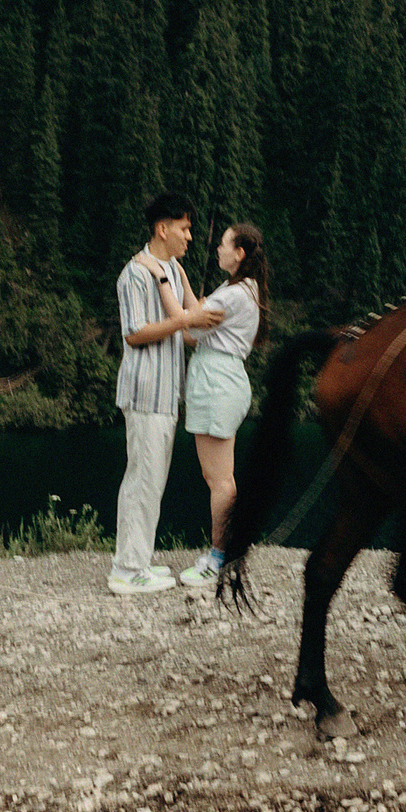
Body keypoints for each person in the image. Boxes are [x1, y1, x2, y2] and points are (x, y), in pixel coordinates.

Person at [110, 193, 223, 595]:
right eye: (185, 228)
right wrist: (186, 321)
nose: (190, 236)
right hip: (144, 392)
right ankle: (126, 570)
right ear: (163, 228)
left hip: (165, 392)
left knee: (151, 480)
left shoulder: (172, 269)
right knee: (142, 480)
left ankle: (137, 561)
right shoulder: (135, 274)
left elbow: (191, 323)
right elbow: (135, 333)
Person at [179, 224, 268, 587]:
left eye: (223, 243)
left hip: (217, 383)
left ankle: (219, 557)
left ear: (239, 253)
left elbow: (188, 324)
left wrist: (170, 283)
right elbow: (196, 316)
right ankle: (225, 552)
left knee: (220, 480)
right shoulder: (238, 289)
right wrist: (184, 285)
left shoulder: (233, 295)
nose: (217, 248)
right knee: (218, 477)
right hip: (219, 380)